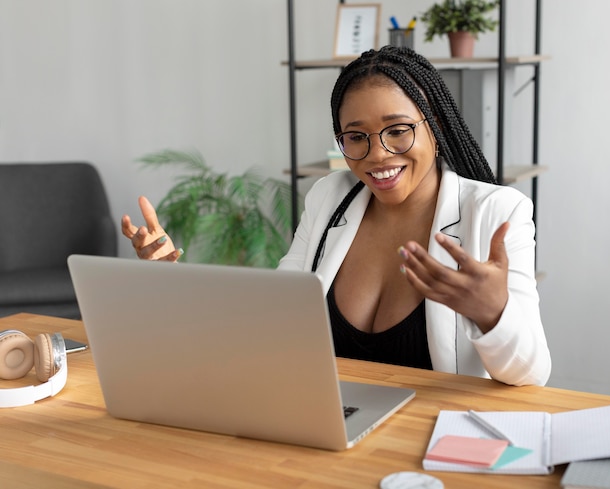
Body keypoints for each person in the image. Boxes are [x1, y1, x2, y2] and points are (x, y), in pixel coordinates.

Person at [122, 46, 551, 386]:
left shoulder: (497, 212)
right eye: (356, 137)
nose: (377, 154)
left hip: (436, 442)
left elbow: (532, 375)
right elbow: (274, 318)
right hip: (333, 432)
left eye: (398, 130)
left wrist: (493, 312)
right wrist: (173, 284)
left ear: (434, 124)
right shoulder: (330, 196)